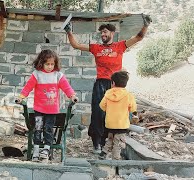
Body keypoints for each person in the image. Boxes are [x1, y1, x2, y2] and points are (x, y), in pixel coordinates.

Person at [64, 14, 151, 154]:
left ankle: (113, 143)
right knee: (98, 113)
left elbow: (138, 38)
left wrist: (145, 26)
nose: (103, 34)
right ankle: (97, 143)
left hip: (116, 85)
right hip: (100, 84)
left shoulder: (120, 46)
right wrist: (69, 31)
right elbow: (76, 45)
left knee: (116, 114)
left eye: (105, 32)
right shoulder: (96, 48)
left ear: (112, 33)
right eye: (101, 32)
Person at [15, 49, 78, 161]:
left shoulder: (58, 75)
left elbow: (66, 87)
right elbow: (28, 87)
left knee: (48, 129)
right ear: (41, 63)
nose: (50, 66)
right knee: (38, 129)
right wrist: (21, 97)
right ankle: (36, 149)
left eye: (52, 64)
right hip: (39, 109)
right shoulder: (37, 74)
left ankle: (46, 149)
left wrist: (72, 96)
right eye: (47, 64)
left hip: (52, 110)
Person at [98, 71, 137, 160]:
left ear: (113, 83)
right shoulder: (128, 95)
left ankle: (103, 153)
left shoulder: (108, 93)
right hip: (121, 124)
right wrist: (134, 114)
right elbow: (133, 109)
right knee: (118, 142)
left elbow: (102, 106)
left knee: (111, 139)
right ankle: (116, 159)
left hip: (110, 124)